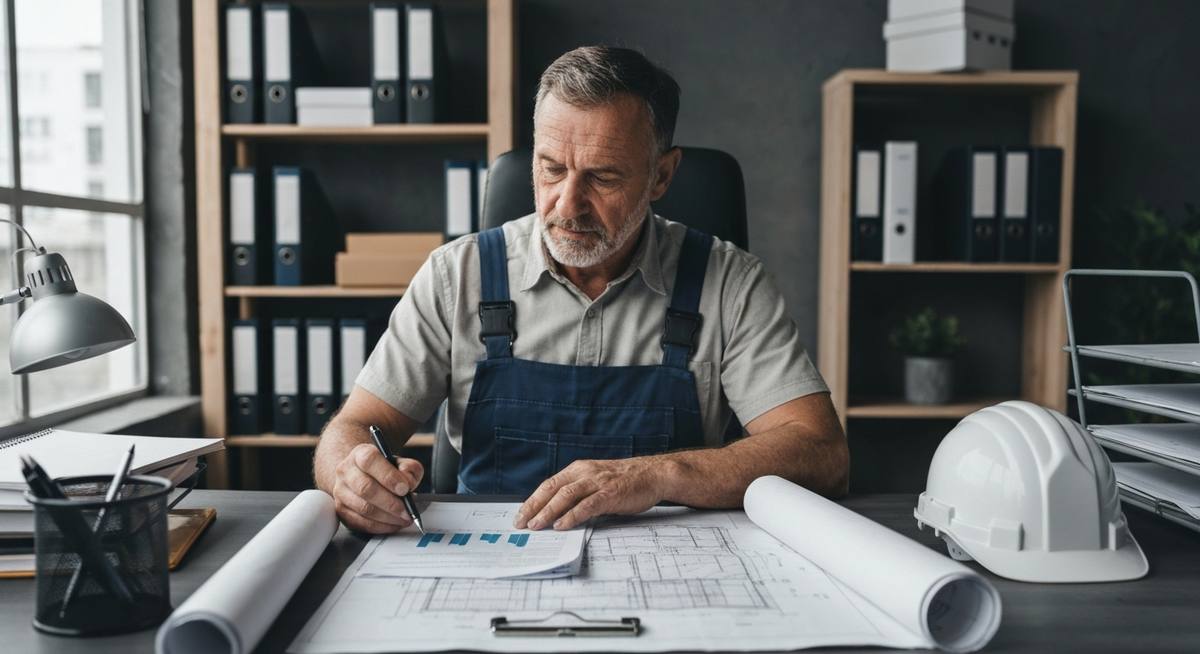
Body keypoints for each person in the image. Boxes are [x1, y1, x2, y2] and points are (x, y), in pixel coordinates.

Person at [313, 45, 847, 534]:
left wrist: (660, 475)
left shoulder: (730, 283)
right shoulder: (457, 276)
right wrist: (351, 474)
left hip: (666, 559)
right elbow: (356, 426)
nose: (566, 204)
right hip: (488, 554)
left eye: (603, 177)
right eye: (551, 169)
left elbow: (821, 452)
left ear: (661, 176)